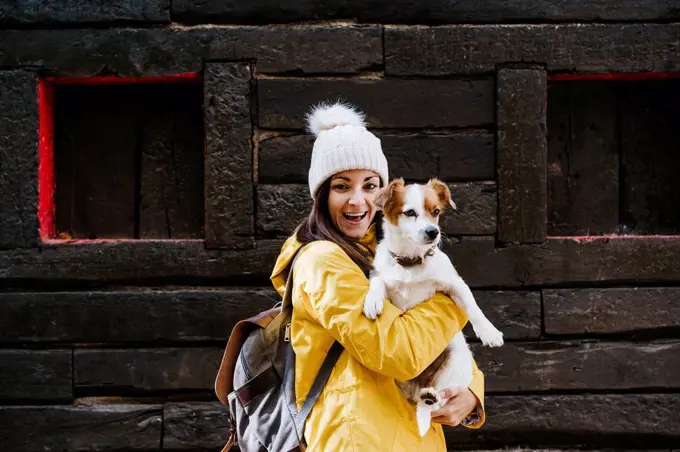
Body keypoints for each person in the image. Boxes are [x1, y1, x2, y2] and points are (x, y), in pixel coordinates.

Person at [269, 101, 485, 451]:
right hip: (358, 439)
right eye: (342, 186)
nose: (358, 201)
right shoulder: (321, 261)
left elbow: (437, 348)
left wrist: (472, 393)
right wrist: (454, 298)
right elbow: (398, 351)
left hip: (407, 435)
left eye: (370, 186)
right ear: (322, 194)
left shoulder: (388, 253)